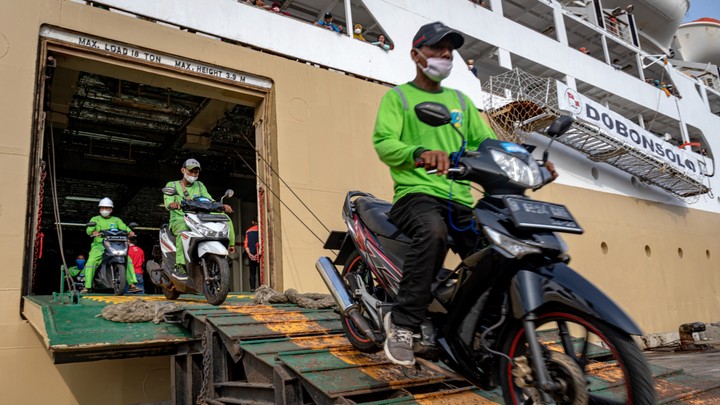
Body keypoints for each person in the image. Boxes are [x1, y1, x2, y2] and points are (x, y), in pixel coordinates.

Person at [373, 21, 557, 366]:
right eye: (436, 49)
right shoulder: (398, 98)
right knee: (433, 233)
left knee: (495, 252)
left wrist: (530, 166)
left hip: (460, 198)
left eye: (450, 50)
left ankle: (492, 330)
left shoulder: (461, 101)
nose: (445, 55)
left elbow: (485, 143)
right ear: (416, 54)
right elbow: (384, 143)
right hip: (417, 194)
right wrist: (418, 154)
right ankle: (402, 325)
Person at [164, 159, 235, 274]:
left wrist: (222, 206)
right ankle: (180, 265)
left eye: (196, 172)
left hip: (199, 218)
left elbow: (209, 200)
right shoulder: (172, 185)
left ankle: (230, 245)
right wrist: (173, 204)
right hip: (180, 219)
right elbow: (168, 202)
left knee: (224, 218)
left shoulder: (199, 185)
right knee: (184, 231)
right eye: (191, 171)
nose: (193, 174)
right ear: (183, 170)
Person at [83, 198, 141, 293]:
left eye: (107, 208)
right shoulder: (95, 219)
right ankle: (87, 286)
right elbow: (89, 229)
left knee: (128, 259)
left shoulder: (116, 220)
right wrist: (93, 231)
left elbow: (124, 227)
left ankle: (132, 285)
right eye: (103, 208)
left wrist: (130, 231)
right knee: (91, 261)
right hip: (99, 245)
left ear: (111, 210)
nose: (105, 210)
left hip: (115, 244)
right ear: (100, 209)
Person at [244, 220, 260, 291]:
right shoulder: (261, 231)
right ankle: (261, 287)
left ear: (253, 222)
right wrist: (258, 253)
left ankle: (252, 288)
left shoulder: (248, 231)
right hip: (259, 255)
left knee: (252, 273)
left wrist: (250, 254)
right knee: (260, 272)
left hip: (251, 254)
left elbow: (246, 245)